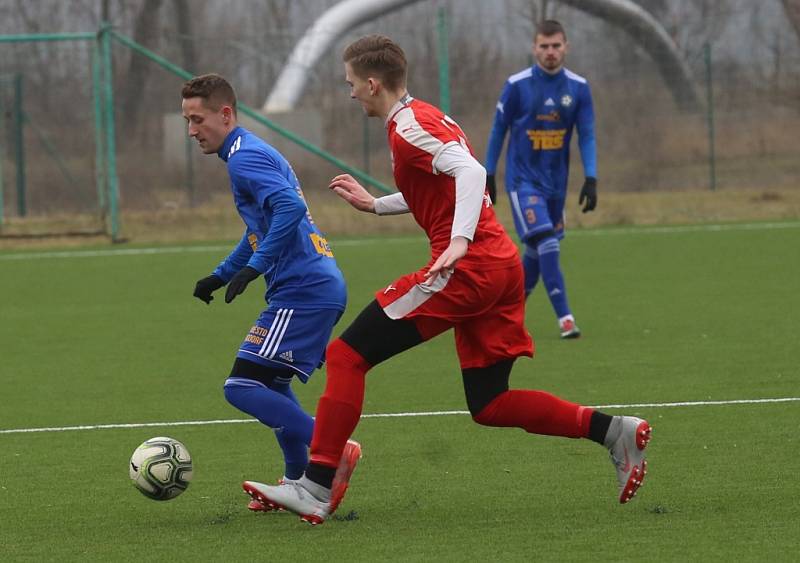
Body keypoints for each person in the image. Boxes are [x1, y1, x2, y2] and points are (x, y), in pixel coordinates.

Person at [242, 35, 650, 526]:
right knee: (490, 402)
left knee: (346, 356)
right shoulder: (423, 117)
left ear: (373, 84)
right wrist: (378, 203)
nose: (350, 93)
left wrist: (457, 241)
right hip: (497, 265)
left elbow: (472, 172)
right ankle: (613, 432)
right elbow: (439, 183)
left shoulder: (408, 128)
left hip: (469, 267)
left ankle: (316, 484)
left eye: (351, 84)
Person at [181, 73, 360, 513]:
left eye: (197, 119)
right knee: (273, 385)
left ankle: (330, 449)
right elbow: (260, 226)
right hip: (313, 284)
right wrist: (224, 274)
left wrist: (256, 267)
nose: (191, 131)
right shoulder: (248, 151)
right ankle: (299, 480)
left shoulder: (245, 160)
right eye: (186, 120)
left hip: (303, 289)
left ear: (225, 114)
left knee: (240, 386)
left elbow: (291, 208)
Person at [485, 19, 598, 339]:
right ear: (534, 48)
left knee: (536, 253)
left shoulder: (578, 87)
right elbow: (498, 131)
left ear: (566, 47)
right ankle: (565, 319)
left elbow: (587, 135)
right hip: (523, 183)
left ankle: (503, 317)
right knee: (547, 241)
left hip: (555, 186)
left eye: (556, 45)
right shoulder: (517, 85)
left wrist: (591, 178)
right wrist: (488, 173)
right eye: (544, 46)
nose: (550, 52)